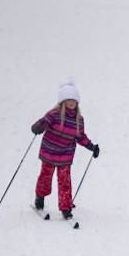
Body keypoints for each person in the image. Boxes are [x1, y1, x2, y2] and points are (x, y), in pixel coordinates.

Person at [31, 80, 100, 220]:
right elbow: (41, 123)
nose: (71, 102)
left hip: (65, 156)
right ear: (63, 101)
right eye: (68, 100)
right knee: (45, 177)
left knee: (65, 182)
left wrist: (91, 146)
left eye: (74, 100)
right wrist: (38, 127)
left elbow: (80, 137)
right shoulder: (54, 114)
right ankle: (40, 198)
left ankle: (65, 208)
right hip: (49, 153)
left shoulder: (78, 119)